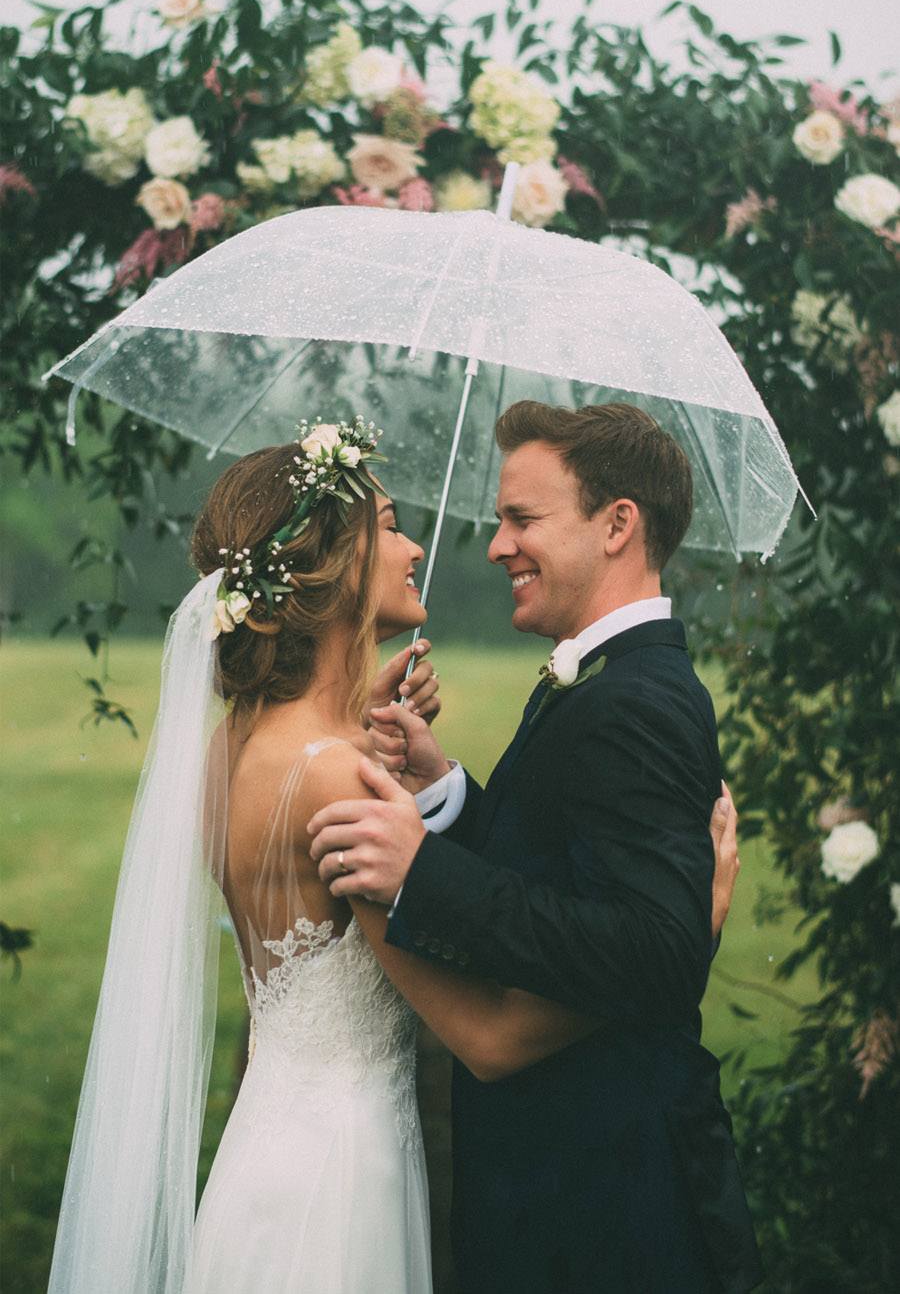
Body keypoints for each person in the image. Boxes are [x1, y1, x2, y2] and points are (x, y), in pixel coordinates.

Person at [48, 413, 739, 1294]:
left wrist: (397, 762)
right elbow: (489, 1036)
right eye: (388, 526)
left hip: (268, 1151)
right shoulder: (338, 780)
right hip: (338, 1189)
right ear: (330, 569)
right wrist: (693, 934)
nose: (420, 548)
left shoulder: (235, 747)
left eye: (520, 520)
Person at [308, 401, 764, 1293]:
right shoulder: (606, 682)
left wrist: (423, 873)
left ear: (617, 524)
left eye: (523, 519)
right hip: (575, 1192)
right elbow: (568, 871)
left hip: (606, 1211)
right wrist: (446, 797)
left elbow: (657, 952)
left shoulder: (633, 702)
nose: (496, 545)